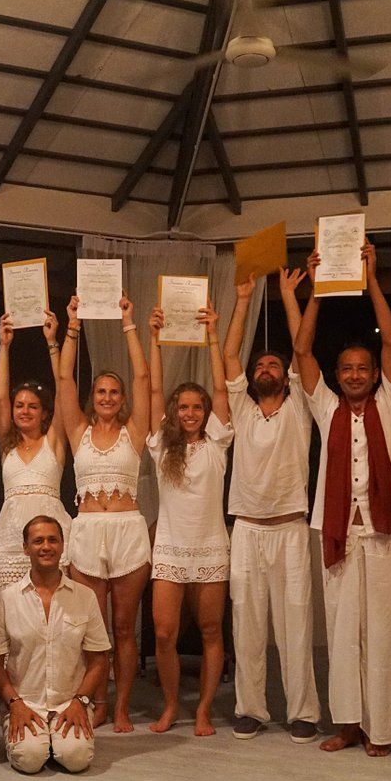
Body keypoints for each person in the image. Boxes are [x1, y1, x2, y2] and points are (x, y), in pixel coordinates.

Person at [298, 241, 391, 757]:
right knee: (342, 633)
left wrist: (372, 278)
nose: (356, 375)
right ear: (338, 375)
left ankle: (380, 729)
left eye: (363, 368)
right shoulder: (326, 408)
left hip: (384, 531)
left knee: (382, 633)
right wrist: (317, 294)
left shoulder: (390, 403)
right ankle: (347, 724)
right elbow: (302, 353)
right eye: (347, 369)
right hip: (340, 531)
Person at [223, 268, 324, 743]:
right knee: (246, 625)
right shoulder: (242, 408)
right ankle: (251, 709)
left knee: (296, 624)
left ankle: (303, 710)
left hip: (290, 527)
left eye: (272, 366)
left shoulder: (302, 405)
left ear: (285, 376)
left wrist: (288, 296)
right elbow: (228, 355)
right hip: (246, 528)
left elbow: (303, 351)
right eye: (259, 365)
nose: (264, 369)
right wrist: (244, 299)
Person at [55, 294, 151, 732]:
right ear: (93, 397)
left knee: (125, 629)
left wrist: (130, 325)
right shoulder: (78, 431)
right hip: (89, 531)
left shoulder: (135, 431)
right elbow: (62, 379)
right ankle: (94, 701)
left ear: (122, 398)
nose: (108, 397)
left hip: (128, 530)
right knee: (92, 631)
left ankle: (122, 706)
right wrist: (72, 327)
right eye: (101, 391)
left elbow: (145, 376)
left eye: (115, 392)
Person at [145, 302, 233, 736]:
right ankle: (171, 706)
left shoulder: (217, 443)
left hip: (211, 545)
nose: (191, 412)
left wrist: (213, 335)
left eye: (197, 407)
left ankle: (203, 710)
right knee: (164, 633)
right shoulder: (163, 444)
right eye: (184, 407)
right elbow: (155, 391)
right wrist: (155, 340)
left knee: (212, 629)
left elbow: (222, 390)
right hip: (170, 548)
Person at [0, 516, 110, 774]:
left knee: (76, 759)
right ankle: (31, 735)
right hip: (25, 703)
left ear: (63, 546)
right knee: (29, 760)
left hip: (70, 703)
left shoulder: (84, 597)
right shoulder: (7, 599)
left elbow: (99, 660)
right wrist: (15, 704)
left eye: (53, 540)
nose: (46, 546)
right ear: (25, 548)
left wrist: (81, 701)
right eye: (38, 540)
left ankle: (58, 739)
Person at [0, 309, 72, 590]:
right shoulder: (7, 444)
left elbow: (65, 391)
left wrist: (53, 343)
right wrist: (4, 346)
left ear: (44, 413)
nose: (24, 410)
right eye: (20, 405)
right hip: (12, 541)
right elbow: (1, 396)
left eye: (33, 406)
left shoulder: (53, 442)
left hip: (51, 539)